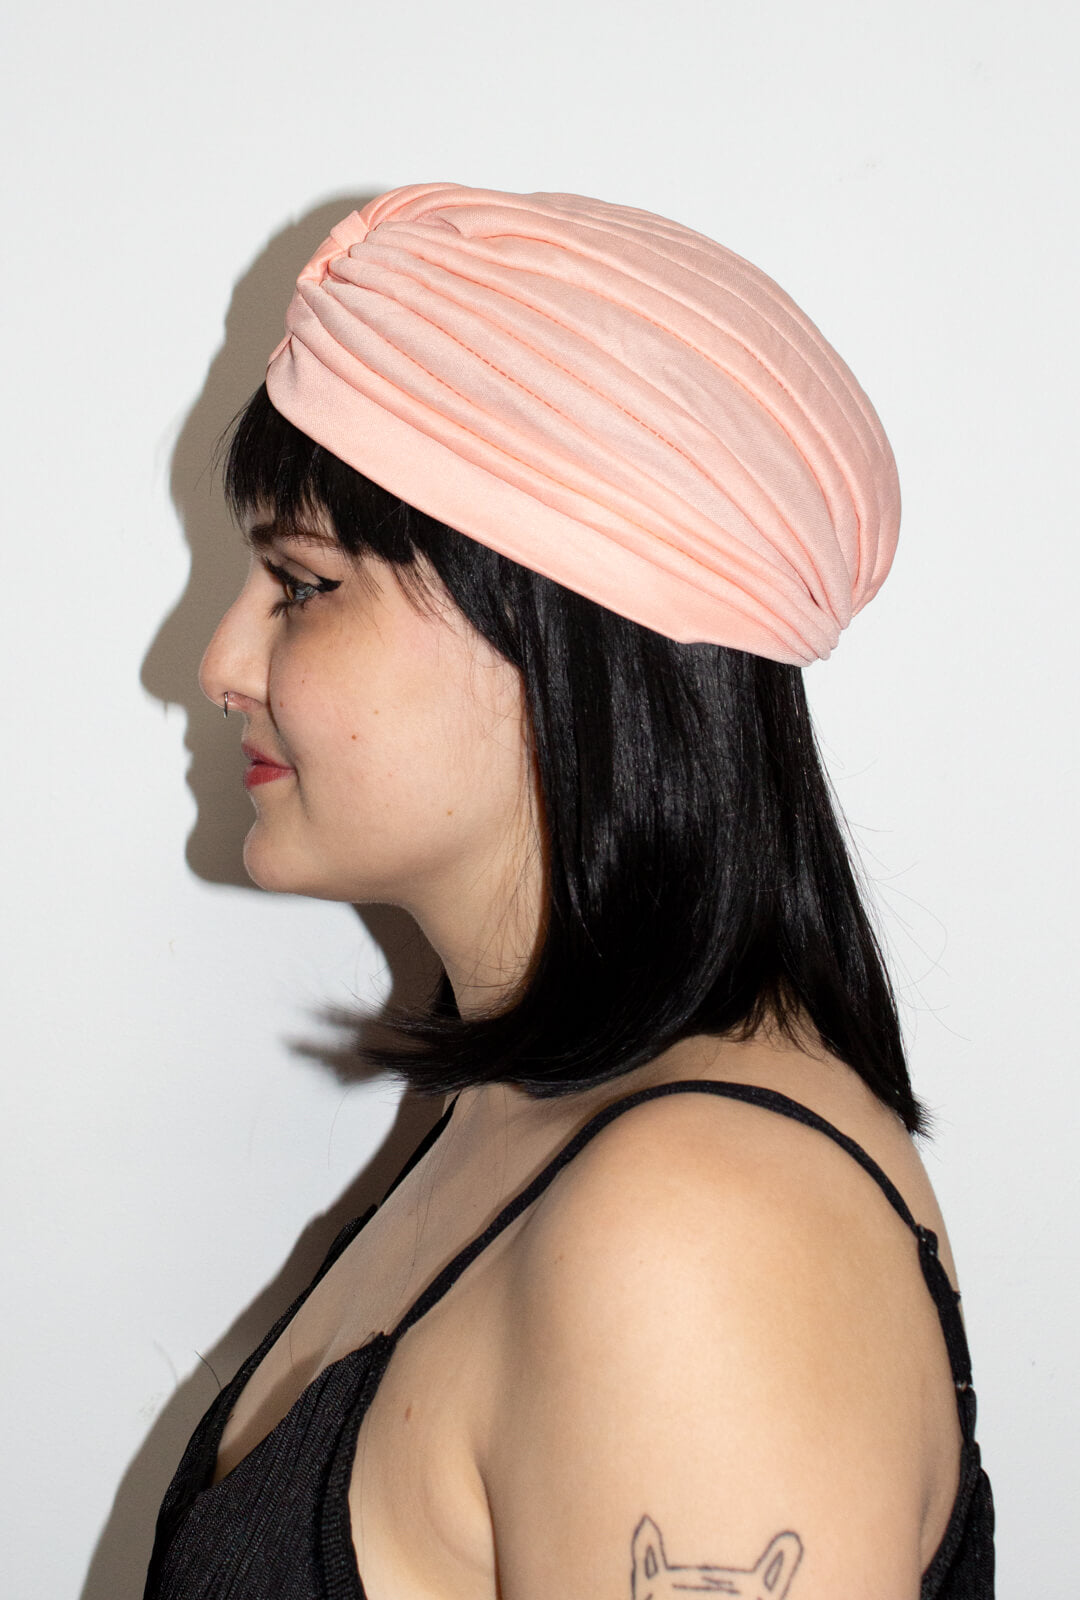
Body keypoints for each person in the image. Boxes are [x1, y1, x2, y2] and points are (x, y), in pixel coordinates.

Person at [144, 183, 994, 1600]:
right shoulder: (532, 1116)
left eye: (302, 584)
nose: (221, 664)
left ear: (558, 628)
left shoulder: (699, 1238)